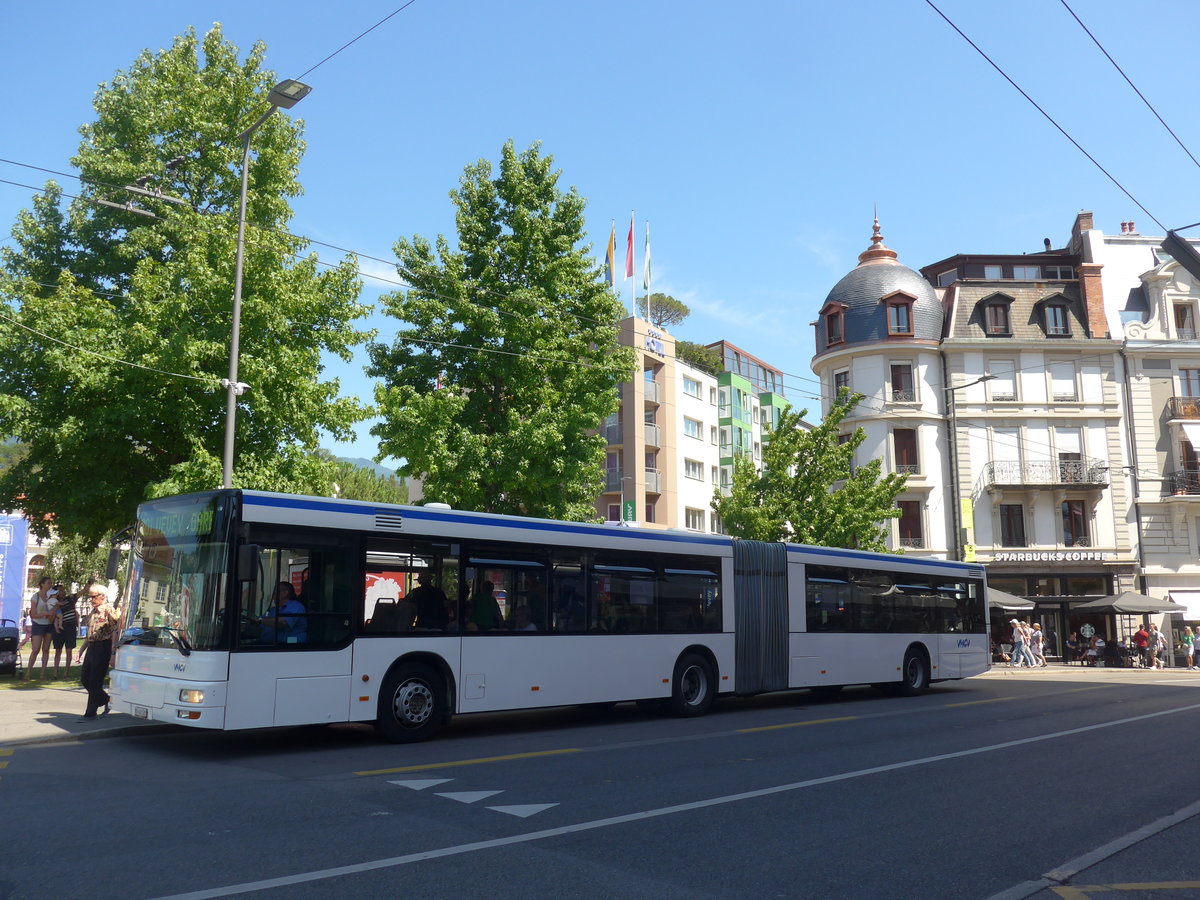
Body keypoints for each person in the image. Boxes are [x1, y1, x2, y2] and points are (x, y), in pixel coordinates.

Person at [79, 585, 120, 720]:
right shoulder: (94, 611)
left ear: (102, 596)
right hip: (92, 646)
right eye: (90, 596)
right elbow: (91, 633)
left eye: (93, 596)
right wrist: (80, 650)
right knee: (85, 678)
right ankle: (105, 699)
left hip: (103, 646)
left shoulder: (108, 610)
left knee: (95, 680)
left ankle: (90, 713)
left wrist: (113, 653)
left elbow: (115, 631)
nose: (91, 599)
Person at [25, 577, 59, 681]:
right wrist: (45, 613)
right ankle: (28, 673)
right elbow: (33, 615)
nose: (50, 585)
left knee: (46, 649)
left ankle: (42, 674)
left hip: (48, 625)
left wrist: (53, 612)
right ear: (42, 584)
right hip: (38, 624)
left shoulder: (52, 597)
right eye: (48, 583)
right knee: (35, 649)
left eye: (51, 583)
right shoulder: (36, 597)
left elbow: (54, 612)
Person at [51, 591, 79, 679]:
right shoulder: (53, 601)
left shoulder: (69, 599)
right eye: (59, 591)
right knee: (58, 651)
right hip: (60, 628)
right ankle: (55, 673)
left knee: (69, 651)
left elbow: (76, 614)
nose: (61, 593)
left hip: (70, 627)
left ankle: (66, 673)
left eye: (62, 590)